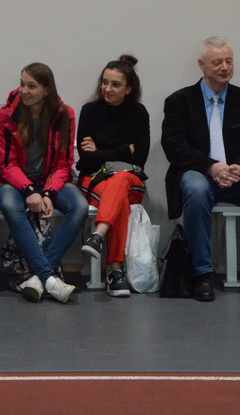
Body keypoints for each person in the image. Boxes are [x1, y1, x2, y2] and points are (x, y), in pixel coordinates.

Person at [162, 37, 240, 302]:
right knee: (195, 188)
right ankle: (202, 275)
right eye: (217, 62)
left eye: (229, 61)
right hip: (200, 173)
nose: (225, 67)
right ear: (202, 65)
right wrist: (211, 167)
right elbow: (174, 147)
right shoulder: (179, 101)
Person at [0, 63, 87, 303]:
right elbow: (6, 164)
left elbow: (64, 164)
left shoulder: (64, 114)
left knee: (79, 206)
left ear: (47, 90)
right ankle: (49, 277)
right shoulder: (7, 115)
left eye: (31, 86)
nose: (24, 91)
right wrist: (28, 190)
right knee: (9, 205)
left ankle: (39, 277)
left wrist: (47, 193)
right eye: (22, 84)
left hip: (49, 180)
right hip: (15, 182)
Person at [77, 55, 150, 298]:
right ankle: (115, 270)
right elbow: (86, 159)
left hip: (131, 180)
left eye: (115, 85)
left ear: (129, 89)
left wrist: (100, 151)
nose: (107, 89)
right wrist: (124, 150)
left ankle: (98, 235)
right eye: (104, 82)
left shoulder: (139, 113)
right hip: (95, 179)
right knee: (119, 200)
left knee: (120, 180)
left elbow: (140, 158)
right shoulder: (89, 111)